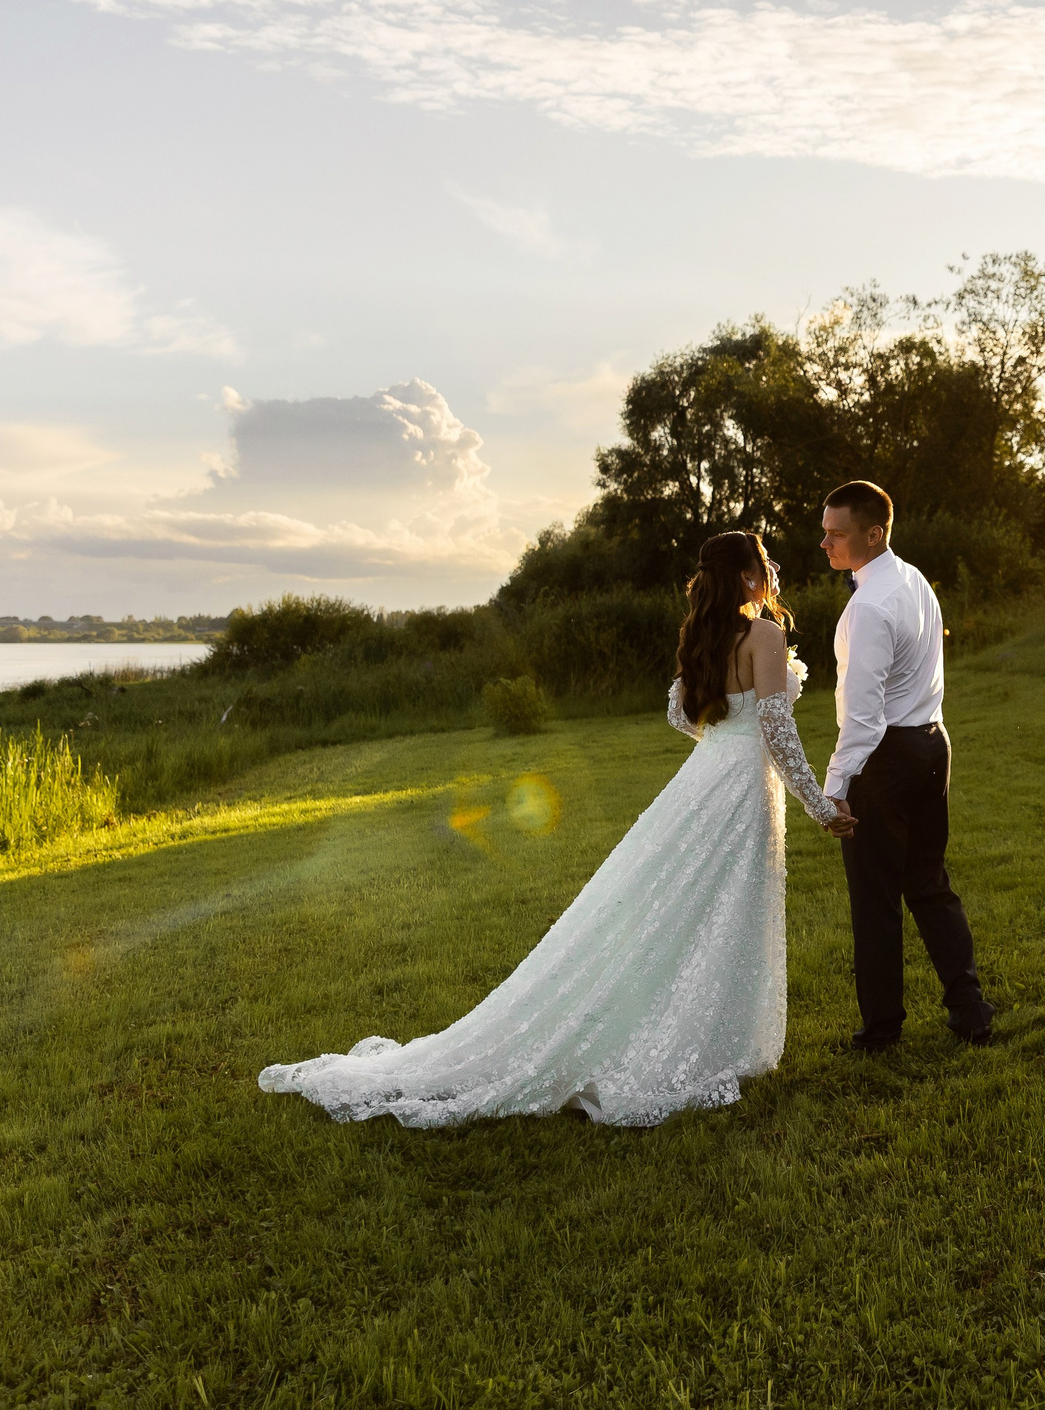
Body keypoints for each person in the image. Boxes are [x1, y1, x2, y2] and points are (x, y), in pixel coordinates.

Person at [257, 531, 851, 1128]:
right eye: (765, 562)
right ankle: (709, 1042)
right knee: (726, 905)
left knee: (690, 906)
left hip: (709, 775)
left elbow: (679, 713)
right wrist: (819, 805)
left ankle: (705, 1032)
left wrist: (722, 741)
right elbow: (777, 730)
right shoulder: (765, 634)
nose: (774, 568)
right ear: (749, 577)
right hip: (741, 785)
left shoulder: (707, 634)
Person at [819, 480, 994, 1049]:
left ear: (874, 533)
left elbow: (864, 719)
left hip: (887, 757)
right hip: (932, 746)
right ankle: (971, 1011)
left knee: (875, 899)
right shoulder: (914, 579)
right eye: (825, 532)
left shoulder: (868, 606)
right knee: (928, 882)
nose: (825, 543)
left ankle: (882, 1029)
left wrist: (835, 786)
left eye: (836, 534)